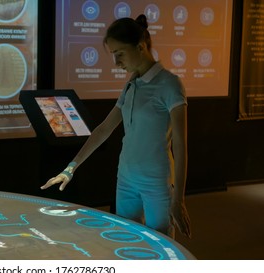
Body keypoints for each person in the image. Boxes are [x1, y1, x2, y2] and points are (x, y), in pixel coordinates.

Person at [41, 14, 192, 239]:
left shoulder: (170, 84)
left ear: (140, 47)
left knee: (159, 246)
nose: (116, 62)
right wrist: (70, 168)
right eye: (113, 55)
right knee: (126, 240)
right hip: (126, 178)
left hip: (156, 181)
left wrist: (178, 198)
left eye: (119, 54)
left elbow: (180, 145)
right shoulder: (132, 83)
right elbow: (104, 129)